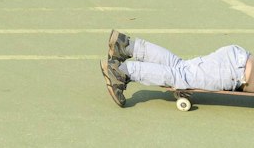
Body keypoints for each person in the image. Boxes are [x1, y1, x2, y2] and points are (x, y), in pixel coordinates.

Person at [102, 30, 252, 106]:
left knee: (180, 67)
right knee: (181, 76)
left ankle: (126, 46)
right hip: (235, 71)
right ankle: (122, 72)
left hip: (236, 57)